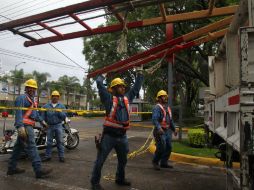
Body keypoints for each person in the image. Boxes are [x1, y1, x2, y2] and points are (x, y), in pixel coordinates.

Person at [91, 69, 144, 190]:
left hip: (122, 137)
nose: (123, 88)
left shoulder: (126, 98)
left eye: (123, 87)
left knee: (123, 160)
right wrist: (103, 75)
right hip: (109, 136)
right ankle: (94, 183)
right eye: (119, 87)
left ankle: (120, 179)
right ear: (113, 89)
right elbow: (99, 85)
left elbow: (136, 88)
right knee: (100, 160)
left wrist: (140, 73)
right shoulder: (108, 99)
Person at [7, 79, 52, 178]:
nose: (32, 89)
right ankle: (38, 169)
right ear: (26, 88)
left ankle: (11, 168)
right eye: (30, 87)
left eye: (34, 88)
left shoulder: (32, 100)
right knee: (32, 147)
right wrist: (20, 127)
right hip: (25, 127)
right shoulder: (22, 98)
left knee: (18, 148)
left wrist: (42, 122)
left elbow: (35, 115)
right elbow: (18, 113)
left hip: (29, 126)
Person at [152, 90, 177, 170]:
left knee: (168, 147)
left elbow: (170, 120)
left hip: (167, 131)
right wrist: (159, 128)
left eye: (165, 96)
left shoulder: (167, 108)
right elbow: (154, 120)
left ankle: (164, 162)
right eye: (163, 96)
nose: (165, 97)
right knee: (161, 147)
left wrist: (174, 129)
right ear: (159, 98)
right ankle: (155, 162)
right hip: (159, 131)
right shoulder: (157, 108)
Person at [41, 90, 67, 163]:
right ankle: (48, 156)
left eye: (56, 96)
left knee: (60, 142)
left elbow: (64, 116)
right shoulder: (46, 106)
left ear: (58, 97)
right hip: (49, 126)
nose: (55, 97)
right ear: (51, 97)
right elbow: (42, 116)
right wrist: (43, 124)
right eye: (53, 96)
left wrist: (60, 112)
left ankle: (61, 157)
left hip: (58, 125)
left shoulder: (62, 106)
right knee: (49, 142)